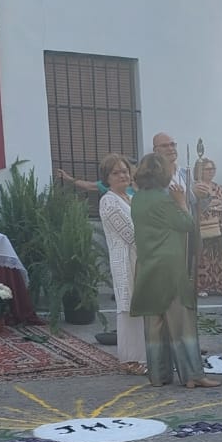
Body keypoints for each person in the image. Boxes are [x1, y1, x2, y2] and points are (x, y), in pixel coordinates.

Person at [130, 153, 218, 389]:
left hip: (148, 265)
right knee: (182, 323)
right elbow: (187, 224)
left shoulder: (137, 200)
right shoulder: (165, 199)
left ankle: (158, 375)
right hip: (170, 267)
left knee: (155, 323)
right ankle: (192, 375)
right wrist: (181, 202)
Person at [97, 154, 147, 375]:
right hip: (125, 258)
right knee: (128, 308)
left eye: (125, 171)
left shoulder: (131, 197)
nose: (122, 175)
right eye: (116, 172)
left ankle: (145, 355)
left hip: (141, 257)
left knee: (142, 307)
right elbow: (130, 232)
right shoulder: (108, 200)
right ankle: (130, 358)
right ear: (107, 178)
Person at [192, 156, 222, 297]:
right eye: (207, 169)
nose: (210, 171)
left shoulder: (218, 187)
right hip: (203, 227)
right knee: (204, 257)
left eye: (212, 169)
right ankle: (203, 287)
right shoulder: (197, 187)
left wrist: (213, 204)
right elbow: (199, 205)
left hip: (219, 227)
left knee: (220, 256)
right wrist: (213, 203)